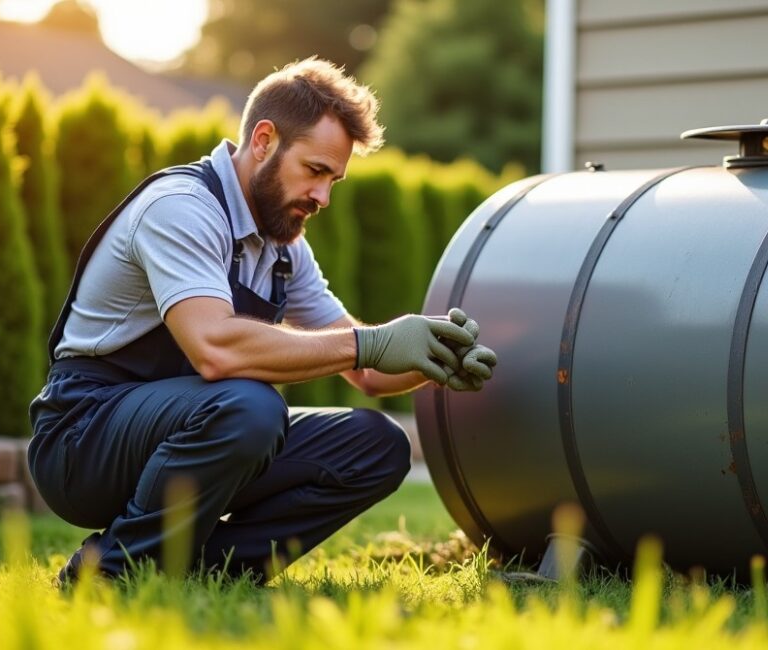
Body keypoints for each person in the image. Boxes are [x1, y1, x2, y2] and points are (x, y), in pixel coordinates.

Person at [28, 57, 497, 585]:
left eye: (334, 180)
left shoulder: (282, 247)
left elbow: (367, 372)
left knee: (377, 445)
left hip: (191, 427)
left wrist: (433, 355)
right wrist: (370, 343)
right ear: (264, 140)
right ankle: (114, 573)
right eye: (315, 171)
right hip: (85, 439)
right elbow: (215, 349)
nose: (322, 197)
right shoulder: (182, 208)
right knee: (253, 407)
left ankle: (212, 570)